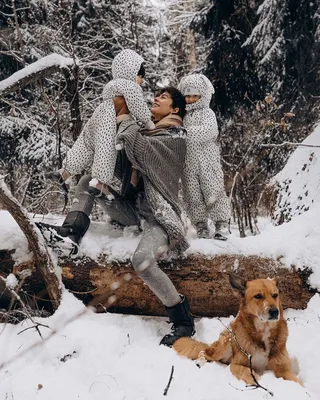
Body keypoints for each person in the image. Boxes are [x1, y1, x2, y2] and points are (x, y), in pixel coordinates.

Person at [37, 87, 195, 347]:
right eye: (156, 95)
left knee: (142, 260)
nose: (156, 98)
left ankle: (182, 320)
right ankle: (71, 232)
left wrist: (125, 116)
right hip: (134, 213)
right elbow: (125, 164)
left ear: (175, 109)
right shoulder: (146, 133)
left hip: (159, 218)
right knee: (91, 180)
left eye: (163, 98)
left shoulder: (175, 138)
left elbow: (143, 153)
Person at [52, 49, 154, 199]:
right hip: (110, 119)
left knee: (85, 144)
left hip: (99, 114)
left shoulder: (112, 85)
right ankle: (100, 183)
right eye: (140, 77)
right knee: (105, 149)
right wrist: (148, 121)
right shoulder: (130, 86)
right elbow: (137, 106)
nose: (142, 81)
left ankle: (65, 171)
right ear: (132, 72)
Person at [178, 73, 231, 240]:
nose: (191, 99)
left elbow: (209, 131)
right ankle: (200, 225)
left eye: (195, 95)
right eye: (187, 96)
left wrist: (185, 133)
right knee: (192, 195)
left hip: (207, 161)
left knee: (213, 190)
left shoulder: (207, 113)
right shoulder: (182, 116)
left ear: (203, 95)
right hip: (188, 163)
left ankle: (221, 223)